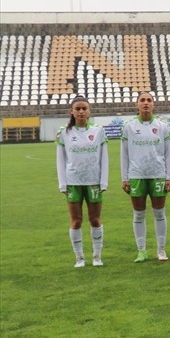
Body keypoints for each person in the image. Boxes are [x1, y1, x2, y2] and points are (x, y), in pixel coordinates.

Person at [121, 91, 170, 262]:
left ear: (153, 104)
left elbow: (168, 153)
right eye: (142, 100)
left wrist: (169, 176)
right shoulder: (129, 126)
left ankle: (161, 250)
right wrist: (125, 177)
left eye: (149, 100)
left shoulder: (162, 126)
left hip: (158, 174)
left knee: (159, 213)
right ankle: (141, 251)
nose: (145, 103)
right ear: (137, 104)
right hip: (136, 175)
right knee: (138, 214)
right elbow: (124, 154)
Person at [56, 95, 108, 267]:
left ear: (89, 111)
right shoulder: (64, 132)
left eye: (84, 108)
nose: (81, 112)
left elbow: (104, 158)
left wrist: (103, 181)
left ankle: (97, 256)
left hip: (93, 181)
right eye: (77, 109)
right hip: (73, 182)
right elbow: (60, 159)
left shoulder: (98, 131)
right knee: (76, 220)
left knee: (95, 219)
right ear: (71, 111)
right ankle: (79, 257)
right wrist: (62, 183)